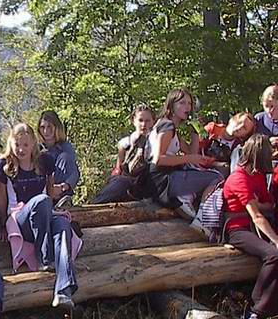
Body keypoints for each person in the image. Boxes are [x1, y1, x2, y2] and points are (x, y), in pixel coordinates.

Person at [0, 123, 79, 308]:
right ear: (11, 143)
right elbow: (1, 197)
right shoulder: (4, 165)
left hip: (44, 214)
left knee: (63, 226)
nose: (21, 149)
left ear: (33, 143)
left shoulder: (45, 161)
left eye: (25, 145)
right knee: (41, 200)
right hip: (19, 217)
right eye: (17, 144)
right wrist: (1, 225)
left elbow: (49, 191)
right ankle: (44, 257)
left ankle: (63, 291)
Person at [222, 135, 278, 319]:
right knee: (273, 254)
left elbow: (269, 204)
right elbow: (256, 216)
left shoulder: (257, 176)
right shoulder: (239, 178)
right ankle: (255, 309)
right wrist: (276, 240)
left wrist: (256, 203)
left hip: (254, 227)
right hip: (237, 230)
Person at [147, 88, 223, 220]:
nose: (187, 107)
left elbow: (191, 152)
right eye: (182, 103)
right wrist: (190, 158)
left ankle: (187, 197)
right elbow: (158, 159)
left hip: (167, 176)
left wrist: (195, 131)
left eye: (189, 103)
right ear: (171, 105)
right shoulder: (167, 126)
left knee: (209, 172)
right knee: (217, 178)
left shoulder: (172, 129)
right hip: (162, 180)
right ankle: (202, 216)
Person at [91, 105, 155, 203]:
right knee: (120, 183)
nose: (144, 124)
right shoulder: (125, 143)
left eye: (147, 121)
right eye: (140, 120)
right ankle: (95, 204)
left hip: (145, 182)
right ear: (134, 121)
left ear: (153, 121)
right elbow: (119, 168)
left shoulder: (156, 143)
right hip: (126, 180)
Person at [37, 111, 80, 206]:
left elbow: (74, 172)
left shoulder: (65, 147)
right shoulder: (36, 149)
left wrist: (64, 186)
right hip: (43, 189)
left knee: (65, 157)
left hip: (61, 189)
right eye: (42, 127)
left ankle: (62, 201)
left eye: (49, 127)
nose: (46, 131)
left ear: (56, 128)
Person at [200, 111, 256, 176]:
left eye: (244, 128)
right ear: (233, 119)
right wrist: (214, 163)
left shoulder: (238, 149)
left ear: (244, 136)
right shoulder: (212, 129)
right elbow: (196, 149)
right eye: (240, 122)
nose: (239, 127)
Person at [254, 84, 278, 152]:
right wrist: (267, 142)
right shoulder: (259, 119)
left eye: (272, 106)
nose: (269, 110)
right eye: (266, 106)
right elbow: (252, 141)